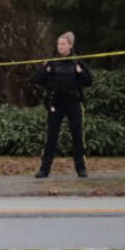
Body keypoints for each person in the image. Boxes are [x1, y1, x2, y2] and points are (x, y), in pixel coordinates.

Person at [32, 31, 93, 178]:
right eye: (59, 44)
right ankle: (44, 169)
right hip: (56, 102)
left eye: (63, 44)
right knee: (51, 136)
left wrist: (80, 73)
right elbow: (37, 79)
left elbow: (89, 81)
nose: (60, 47)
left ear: (70, 46)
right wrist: (46, 70)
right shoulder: (52, 62)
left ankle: (81, 169)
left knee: (77, 136)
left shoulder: (77, 62)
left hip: (73, 102)